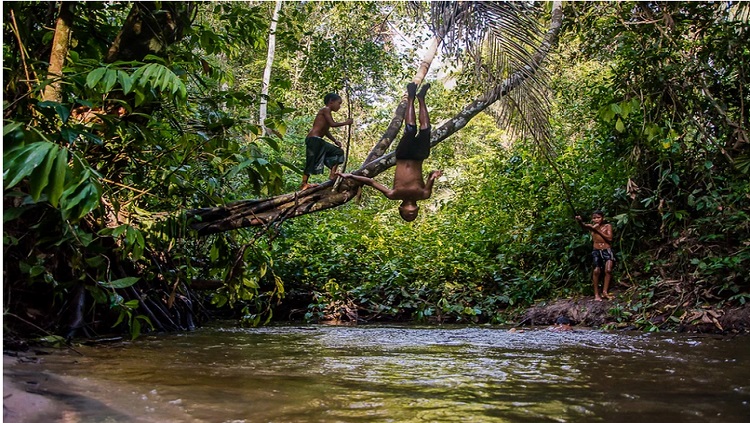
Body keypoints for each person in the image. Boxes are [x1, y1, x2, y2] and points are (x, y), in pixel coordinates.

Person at [337, 82, 442, 221]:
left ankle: (411, 98)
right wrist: (434, 175)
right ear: (418, 210)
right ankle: (421, 99)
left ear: (400, 209)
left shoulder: (393, 194)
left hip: (403, 156)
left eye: (406, 215)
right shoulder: (424, 194)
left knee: (410, 129)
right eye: (413, 215)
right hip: (419, 156)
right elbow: (431, 176)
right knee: (426, 129)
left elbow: (371, 182)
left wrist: (350, 176)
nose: (411, 214)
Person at [300, 93, 353, 190]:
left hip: (318, 141)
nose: (339, 106)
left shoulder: (326, 112)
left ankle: (332, 175)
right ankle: (304, 183)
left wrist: (335, 140)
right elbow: (332, 124)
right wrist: (346, 123)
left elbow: (326, 130)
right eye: (339, 103)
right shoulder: (325, 110)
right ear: (331, 102)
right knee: (311, 160)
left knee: (338, 151)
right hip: (314, 139)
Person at [575, 210, 615, 301]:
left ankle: (605, 292)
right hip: (596, 250)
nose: (596, 220)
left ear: (602, 218)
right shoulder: (591, 227)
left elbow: (610, 238)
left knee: (608, 269)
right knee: (596, 270)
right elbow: (584, 226)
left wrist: (598, 230)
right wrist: (580, 221)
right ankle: (596, 294)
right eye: (594, 218)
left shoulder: (607, 226)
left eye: (598, 217)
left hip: (607, 249)